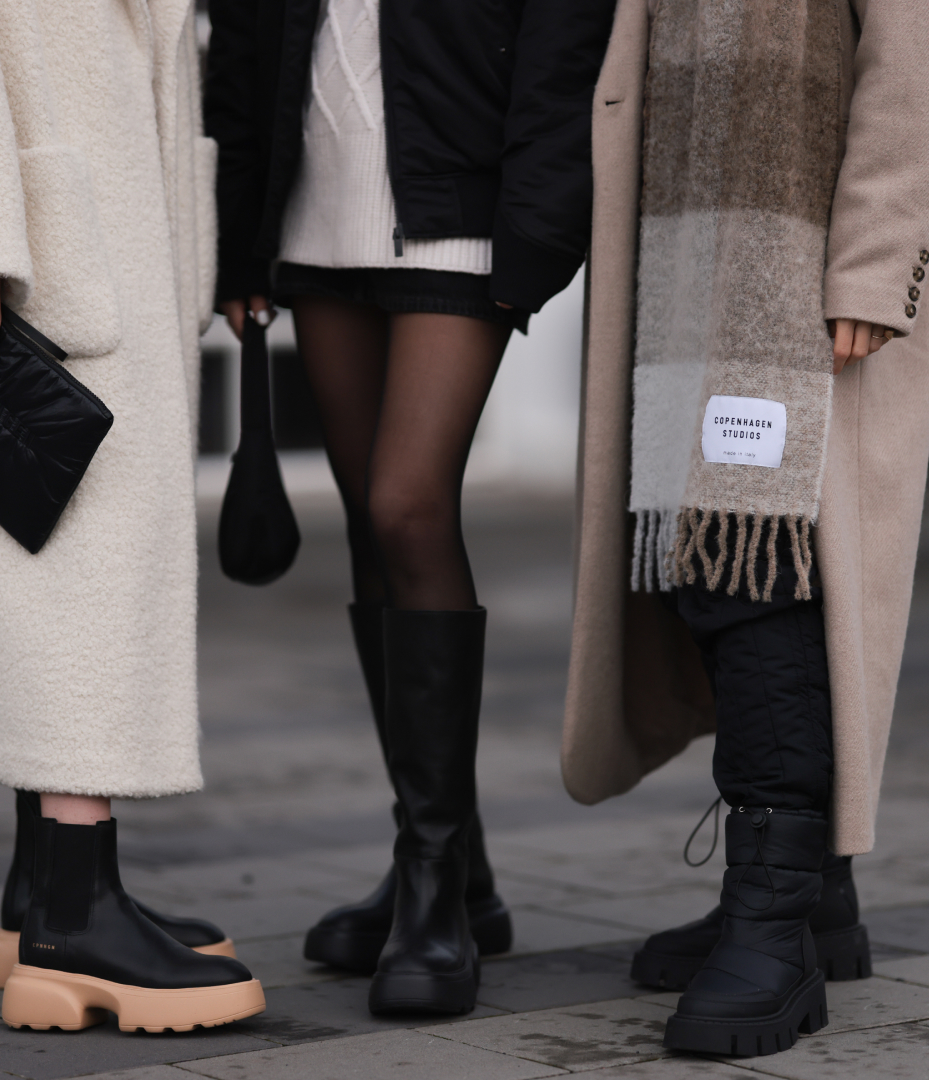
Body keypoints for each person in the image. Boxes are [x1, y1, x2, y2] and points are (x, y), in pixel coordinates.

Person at [0, 0, 264, 1033]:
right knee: (70, 580)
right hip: (22, 252)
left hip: (91, 233)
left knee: (68, 571)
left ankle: (44, 892)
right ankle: (74, 924)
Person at [205, 0, 616, 1015]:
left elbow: (567, 48)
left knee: (407, 509)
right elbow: (246, 54)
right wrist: (237, 244)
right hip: (316, 216)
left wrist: (538, 232)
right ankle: (447, 867)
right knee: (371, 529)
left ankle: (434, 885)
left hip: (461, 219)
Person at [562, 0, 929, 1058]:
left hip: (808, 261)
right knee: (714, 557)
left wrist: (876, 257)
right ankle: (816, 900)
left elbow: (913, 56)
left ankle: (773, 921)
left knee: (758, 568)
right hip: (688, 255)